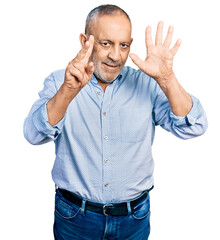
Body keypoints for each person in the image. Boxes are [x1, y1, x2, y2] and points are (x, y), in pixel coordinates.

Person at [23, 4, 208, 240]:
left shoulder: (148, 83)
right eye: (106, 43)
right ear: (85, 41)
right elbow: (33, 134)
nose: (116, 56)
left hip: (134, 219)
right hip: (74, 218)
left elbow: (195, 126)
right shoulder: (61, 80)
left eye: (124, 45)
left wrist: (166, 79)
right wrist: (68, 91)